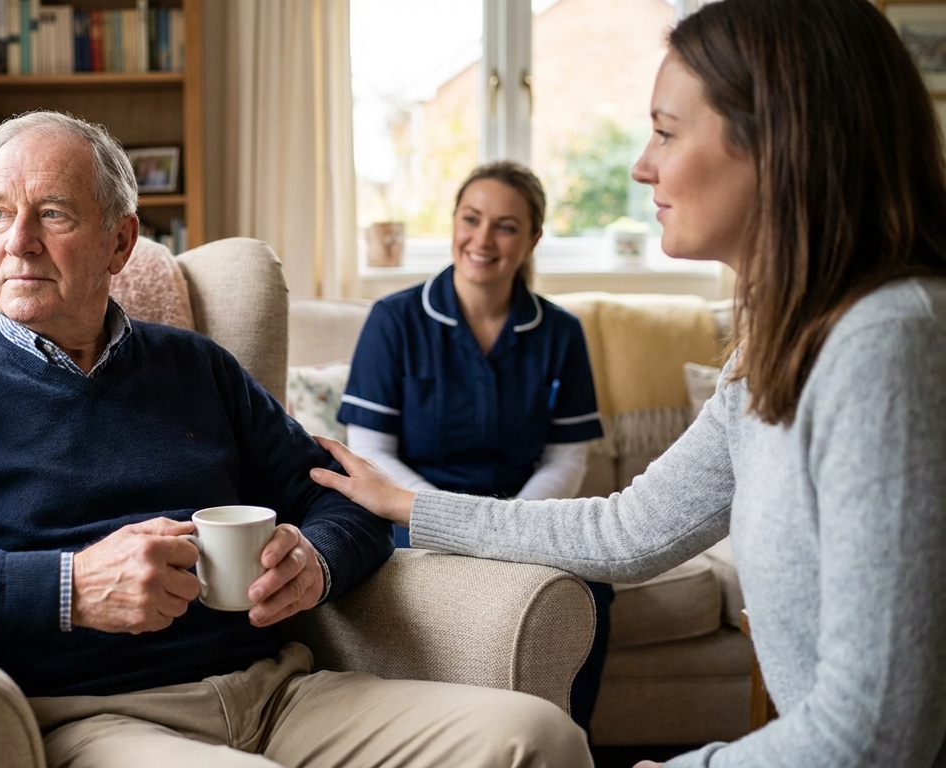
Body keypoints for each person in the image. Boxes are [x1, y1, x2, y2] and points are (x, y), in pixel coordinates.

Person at [0, 110, 592, 767]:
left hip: (279, 694)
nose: (15, 242)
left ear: (120, 241)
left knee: (539, 738)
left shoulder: (199, 368)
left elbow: (339, 494)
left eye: (52, 214)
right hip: (94, 719)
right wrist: (68, 586)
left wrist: (317, 561)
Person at [312, 0, 946, 765]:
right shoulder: (772, 352)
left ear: (778, 141)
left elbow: (879, 733)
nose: (643, 164)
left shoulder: (889, 343)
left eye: (667, 132)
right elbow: (626, 529)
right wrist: (411, 505)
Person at [337, 161, 610, 731]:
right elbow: (370, 449)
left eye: (506, 226)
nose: (483, 239)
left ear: (533, 239)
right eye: (471, 219)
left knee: (591, 588)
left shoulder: (561, 333)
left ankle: (562, 747)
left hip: (520, 515)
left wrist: (509, 522)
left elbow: (567, 457)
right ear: (454, 222)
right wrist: (446, 516)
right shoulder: (395, 320)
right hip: (410, 513)